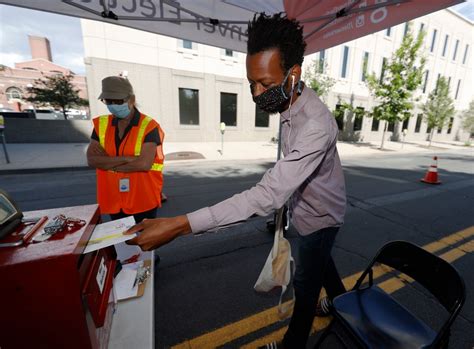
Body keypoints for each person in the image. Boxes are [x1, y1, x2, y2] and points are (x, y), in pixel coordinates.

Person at [127, 13, 346, 349]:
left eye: (266, 84)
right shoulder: (292, 100)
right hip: (305, 210)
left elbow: (268, 194)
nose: (257, 94)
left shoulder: (315, 125)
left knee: (305, 283)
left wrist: (180, 225)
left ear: (294, 73)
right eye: (251, 83)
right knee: (322, 264)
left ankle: (293, 344)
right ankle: (344, 304)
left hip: (320, 217)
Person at [86, 76, 165, 224]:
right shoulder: (101, 125)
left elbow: (144, 164)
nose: (113, 105)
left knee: (143, 243)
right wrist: (128, 158)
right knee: (121, 244)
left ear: (131, 99)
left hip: (143, 200)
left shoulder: (149, 126)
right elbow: (92, 160)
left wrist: (107, 162)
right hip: (114, 201)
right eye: (108, 101)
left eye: (118, 101)